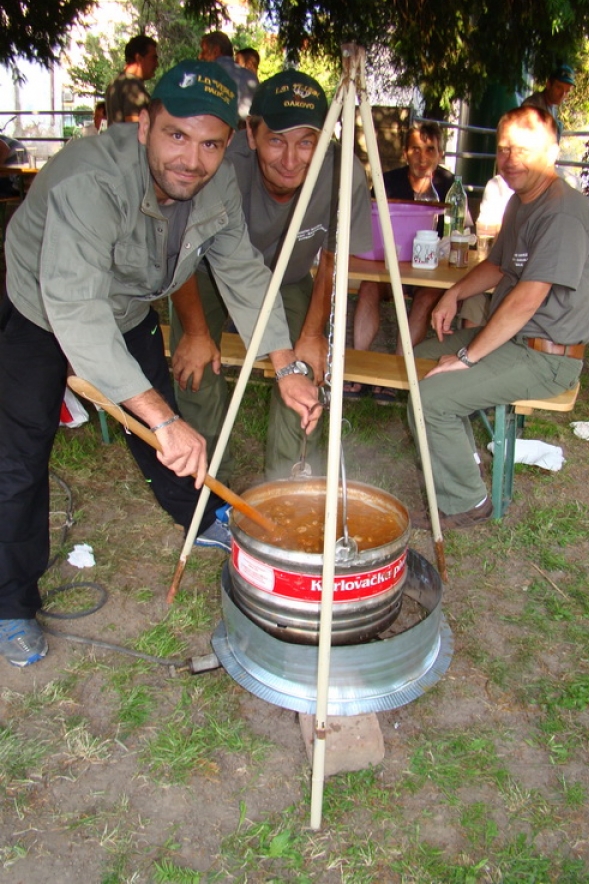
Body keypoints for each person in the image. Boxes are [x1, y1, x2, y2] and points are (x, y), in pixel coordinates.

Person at [0, 60, 321, 668]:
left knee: (164, 426)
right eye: (176, 135)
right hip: (42, 309)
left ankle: (198, 517)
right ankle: (10, 603)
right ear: (144, 124)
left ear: (229, 145)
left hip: (125, 306)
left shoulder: (216, 181)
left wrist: (287, 367)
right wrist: (153, 412)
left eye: (210, 144)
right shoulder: (89, 180)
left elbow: (243, 273)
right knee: (18, 459)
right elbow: (75, 308)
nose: (191, 161)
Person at [170, 69, 372, 481]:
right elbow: (178, 252)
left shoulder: (343, 173)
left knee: (305, 368)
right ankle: (208, 483)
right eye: (277, 140)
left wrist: (313, 334)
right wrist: (194, 332)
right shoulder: (220, 167)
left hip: (290, 277)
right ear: (251, 134)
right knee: (194, 366)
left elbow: (333, 259)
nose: (291, 159)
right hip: (205, 272)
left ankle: (289, 482)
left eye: (306, 142)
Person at [408, 105, 589, 530]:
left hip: (548, 357)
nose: (510, 159)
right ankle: (463, 456)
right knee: (419, 356)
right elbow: (499, 266)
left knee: (431, 398)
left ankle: (467, 501)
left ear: (551, 151)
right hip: (519, 342)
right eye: (503, 149)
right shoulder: (522, 202)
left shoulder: (563, 213)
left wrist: (469, 357)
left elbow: (529, 298)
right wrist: (453, 294)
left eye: (523, 149)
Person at [346, 122, 464, 402]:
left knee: (427, 299)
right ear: (404, 152)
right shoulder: (387, 181)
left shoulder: (449, 186)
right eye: (415, 149)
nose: (422, 157)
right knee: (368, 288)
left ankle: (398, 373)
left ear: (440, 153)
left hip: (428, 272)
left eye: (430, 150)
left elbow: (461, 231)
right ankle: (357, 370)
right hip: (391, 267)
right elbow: (370, 225)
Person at [199, 31, 258, 125]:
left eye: (204, 51)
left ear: (216, 50)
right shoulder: (251, 77)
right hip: (247, 134)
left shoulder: (205, 75)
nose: (200, 56)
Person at [105, 34, 159, 125]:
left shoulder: (115, 83)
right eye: (153, 58)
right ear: (139, 58)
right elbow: (135, 128)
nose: (157, 64)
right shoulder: (132, 87)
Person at [522, 64, 575, 140]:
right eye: (559, 88)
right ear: (548, 84)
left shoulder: (553, 106)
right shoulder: (532, 106)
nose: (562, 94)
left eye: (567, 91)